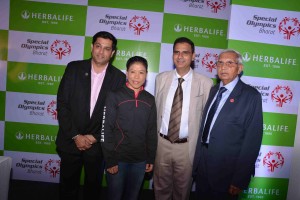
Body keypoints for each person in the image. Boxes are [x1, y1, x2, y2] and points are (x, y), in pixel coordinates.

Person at [56, 31, 126, 200]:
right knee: (67, 188)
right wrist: (76, 135)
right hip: (70, 140)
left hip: (98, 145)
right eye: (98, 46)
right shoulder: (73, 68)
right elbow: (63, 105)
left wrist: (94, 137)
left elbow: (117, 115)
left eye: (107, 48)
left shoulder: (119, 78)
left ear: (113, 53)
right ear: (91, 47)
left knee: (93, 190)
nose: (101, 52)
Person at [192, 49, 263, 200]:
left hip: (227, 172)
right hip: (203, 165)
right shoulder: (213, 90)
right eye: (220, 63)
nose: (223, 67)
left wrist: (239, 179)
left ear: (240, 68)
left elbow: (252, 141)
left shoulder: (251, 96)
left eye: (230, 63)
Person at [153, 37, 213, 200]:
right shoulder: (161, 79)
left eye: (185, 52)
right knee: (160, 190)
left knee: (182, 192)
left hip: (187, 148)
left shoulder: (206, 83)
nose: (180, 56)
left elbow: (207, 120)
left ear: (193, 56)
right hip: (162, 145)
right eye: (176, 52)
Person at [101, 56, 157, 200]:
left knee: (132, 197)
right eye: (133, 72)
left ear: (146, 74)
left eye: (141, 72)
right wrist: (110, 159)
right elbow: (106, 129)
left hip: (140, 161)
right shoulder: (114, 96)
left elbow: (151, 131)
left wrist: (150, 158)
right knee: (115, 196)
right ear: (126, 73)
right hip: (118, 159)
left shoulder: (150, 100)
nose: (136, 77)